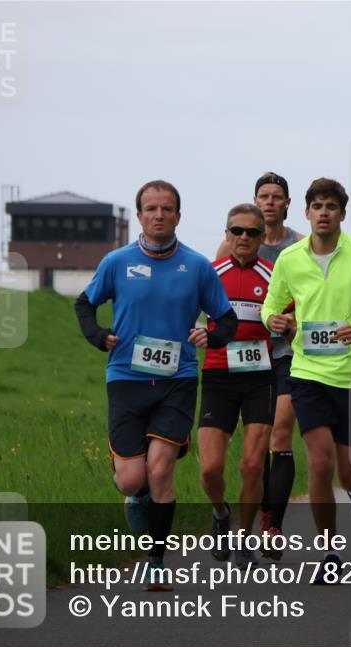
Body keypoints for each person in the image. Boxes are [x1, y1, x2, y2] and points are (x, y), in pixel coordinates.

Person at [74, 180, 236, 590]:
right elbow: (84, 303)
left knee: (161, 471)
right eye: (151, 208)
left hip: (177, 380)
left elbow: (226, 320)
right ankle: (136, 494)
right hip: (126, 378)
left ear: (178, 216)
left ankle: (156, 560)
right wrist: (97, 336)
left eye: (167, 209)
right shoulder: (117, 262)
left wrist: (210, 336)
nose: (159, 215)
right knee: (132, 479)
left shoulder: (197, 266)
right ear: (140, 216)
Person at [260, 177, 351, 582]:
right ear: (306, 212)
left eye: (331, 207)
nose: (323, 213)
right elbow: (273, 303)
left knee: (349, 471)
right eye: (317, 206)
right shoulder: (290, 258)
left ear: (342, 213)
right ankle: (329, 555)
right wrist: (275, 318)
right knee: (320, 465)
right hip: (307, 374)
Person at [216, 172, 303, 560]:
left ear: (286, 204)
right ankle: (257, 510)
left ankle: (274, 524)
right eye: (263, 196)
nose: (269, 202)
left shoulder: (298, 246)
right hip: (240, 357)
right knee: (253, 449)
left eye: (276, 197)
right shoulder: (232, 240)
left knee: (279, 437)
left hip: (285, 356)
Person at [199, 204, 279, 568]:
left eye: (252, 232)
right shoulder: (210, 274)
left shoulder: (275, 276)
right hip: (218, 376)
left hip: (260, 378)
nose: (244, 238)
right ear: (227, 234)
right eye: (237, 231)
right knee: (210, 469)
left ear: (263, 237)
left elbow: (298, 315)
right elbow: (186, 314)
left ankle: (246, 539)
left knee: (251, 466)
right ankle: (220, 513)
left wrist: (288, 321)